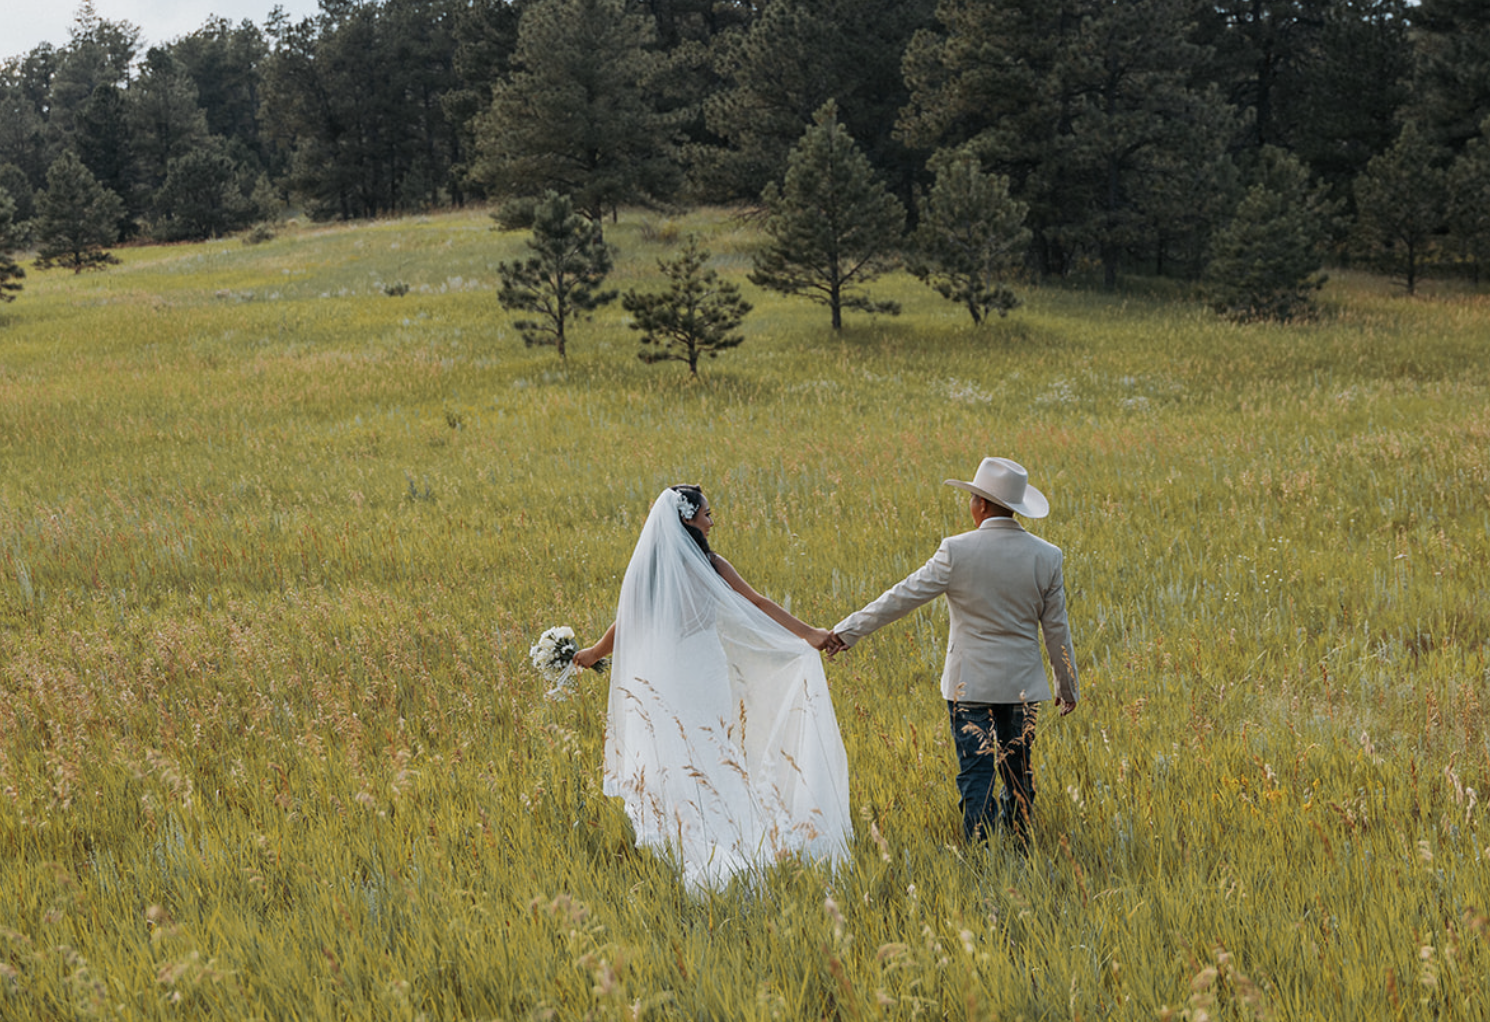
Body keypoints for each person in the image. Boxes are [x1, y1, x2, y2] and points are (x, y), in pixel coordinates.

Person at [574, 485, 853, 889]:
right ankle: (732, 829)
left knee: (682, 751)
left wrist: (595, 651)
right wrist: (808, 633)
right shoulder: (711, 564)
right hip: (704, 671)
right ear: (687, 519)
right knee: (716, 749)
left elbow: (627, 622)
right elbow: (756, 602)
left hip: (672, 675)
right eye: (706, 513)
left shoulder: (652, 570)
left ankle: (698, 828)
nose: (711, 519)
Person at [825, 457, 1078, 846]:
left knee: (975, 771)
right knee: (1018, 769)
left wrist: (848, 631)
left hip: (968, 684)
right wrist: (1067, 684)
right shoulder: (1047, 555)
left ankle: (981, 850)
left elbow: (902, 596)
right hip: (1022, 686)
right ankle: (1021, 844)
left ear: (979, 503)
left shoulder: (957, 550)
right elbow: (1056, 628)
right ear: (1014, 506)